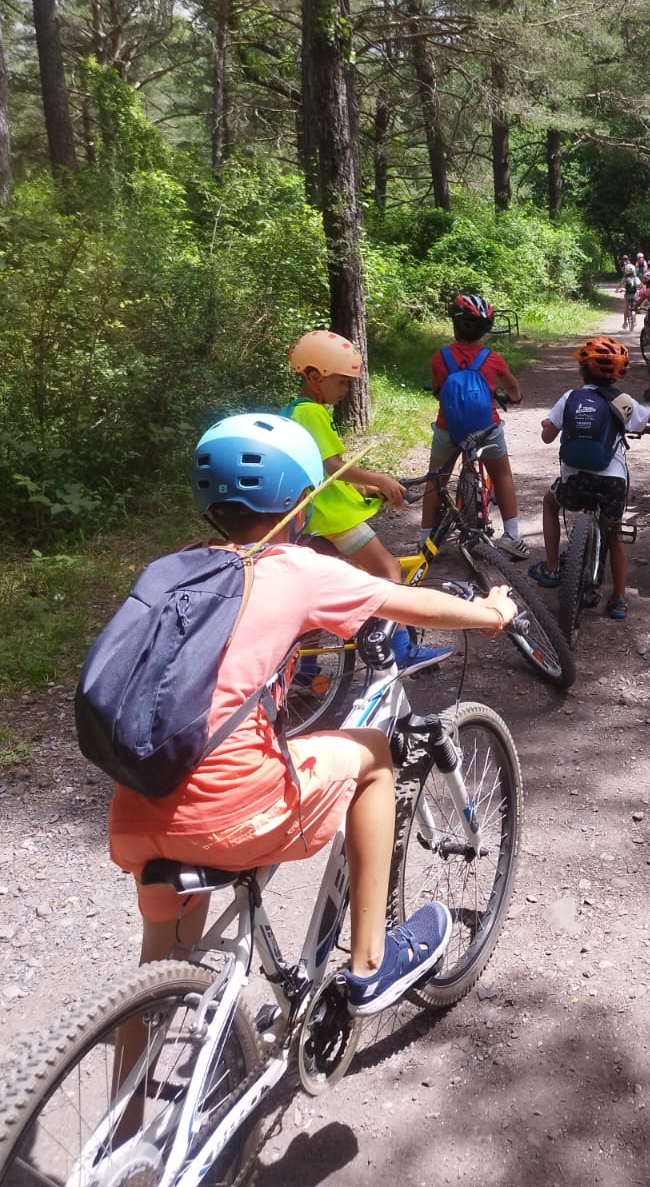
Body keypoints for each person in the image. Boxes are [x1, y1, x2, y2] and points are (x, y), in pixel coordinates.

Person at [108, 412, 520, 1015]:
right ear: (300, 502)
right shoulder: (292, 568)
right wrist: (493, 611)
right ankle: (372, 966)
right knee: (375, 755)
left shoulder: (172, 570)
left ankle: (129, 1109)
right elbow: (415, 606)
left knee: (155, 978)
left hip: (139, 808)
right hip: (231, 805)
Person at [529, 337, 650, 619]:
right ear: (619, 373)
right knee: (614, 536)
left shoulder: (570, 398)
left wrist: (550, 425)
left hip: (574, 481)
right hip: (612, 482)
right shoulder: (623, 401)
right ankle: (618, 599)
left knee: (550, 504)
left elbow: (546, 437)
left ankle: (553, 567)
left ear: (583, 368)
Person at [284, 330, 408, 583]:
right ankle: (397, 624)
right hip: (332, 515)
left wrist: (364, 488)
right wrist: (379, 480)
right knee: (388, 570)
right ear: (315, 377)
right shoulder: (312, 412)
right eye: (341, 382)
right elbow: (333, 467)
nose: (346, 389)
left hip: (311, 513)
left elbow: (319, 467)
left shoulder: (293, 411)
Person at [421, 294, 529, 560]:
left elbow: (437, 389)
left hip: (449, 428)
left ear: (454, 326)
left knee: (436, 480)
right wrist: (514, 398)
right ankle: (513, 536)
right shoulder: (492, 358)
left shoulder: (440, 357)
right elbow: (512, 388)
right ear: (486, 329)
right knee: (502, 475)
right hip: (486, 429)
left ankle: (424, 540)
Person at [621, 259, 639, 331]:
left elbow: (620, 285)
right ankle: (635, 320)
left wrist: (617, 290)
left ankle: (625, 323)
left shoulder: (625, 279)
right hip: (635, 294)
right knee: (635, 307)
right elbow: (640, 285)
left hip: (628, 295)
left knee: (626, 308)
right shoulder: (636, 278)